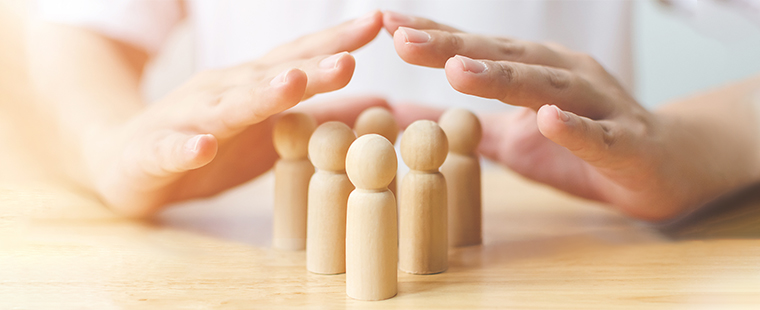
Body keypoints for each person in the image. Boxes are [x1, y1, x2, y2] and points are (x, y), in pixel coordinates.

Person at [27, 2, 760, 221]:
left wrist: (708, 141)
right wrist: (106, 142)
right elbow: (56, 32)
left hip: (570, 243)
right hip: (237, 238)